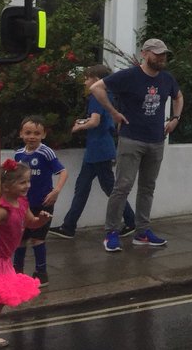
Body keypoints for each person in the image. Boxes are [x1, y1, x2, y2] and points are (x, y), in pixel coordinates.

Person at [91, 38, 183, 252]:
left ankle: (142, 232)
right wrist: (113, 112)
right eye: (157, 54)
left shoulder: (167, 79)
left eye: (164, 54)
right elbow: (97, 88)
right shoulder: (129, 76)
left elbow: (178, 96)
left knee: (147, 188)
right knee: (122, 186)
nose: (161, 58)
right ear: (144, 53)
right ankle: (111, 232)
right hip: (132, 139)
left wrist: (175, 118)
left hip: (156, 140)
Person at [51, 64, 137, 240]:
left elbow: (95, 121)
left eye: (87, 77)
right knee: (84, 188)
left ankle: (131, 221)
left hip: (98, 151)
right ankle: (69, 226)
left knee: (109, 189)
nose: (84, 80)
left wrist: (78, 126)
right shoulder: (109, 96)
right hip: (99, 149)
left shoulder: (96, 96)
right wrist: (84, 121)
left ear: (96, 80)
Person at [0, 159, 47, 347]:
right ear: (5, 185)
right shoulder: (1, 210)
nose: (27, 185)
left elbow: (30, 222)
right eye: (22, 182)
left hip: (4, 260)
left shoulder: (22, 203)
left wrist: (41, 221)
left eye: (28, 181)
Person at [12, 115, 65, 283]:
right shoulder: (18, 155)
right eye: (28, 132)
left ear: (43, 135)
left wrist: (56, 191)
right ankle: (17, 273)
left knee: (37, 239)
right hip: (23, 205)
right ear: (21, 134)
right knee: (20, 239)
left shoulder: (46, 152)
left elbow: (63, 172)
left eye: (36, 133)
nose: (32, 136)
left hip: (43, 204)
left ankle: (41, 274)